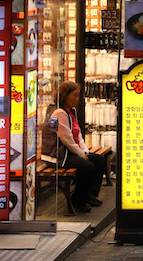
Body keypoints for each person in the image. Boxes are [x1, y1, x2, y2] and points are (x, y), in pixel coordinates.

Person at [41, 81, 106, 213]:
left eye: (78, 96)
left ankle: (90, 195)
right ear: (65, 95)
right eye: (74, 96)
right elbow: (66, 138)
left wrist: (84, 151)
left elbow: (77, 134)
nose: (77, 99)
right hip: (57, 155)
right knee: (88, 167)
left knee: (99, 160)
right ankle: (78, 200)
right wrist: (81, 154)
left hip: (68, 151)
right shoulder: (58, 113)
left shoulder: (71, 112)